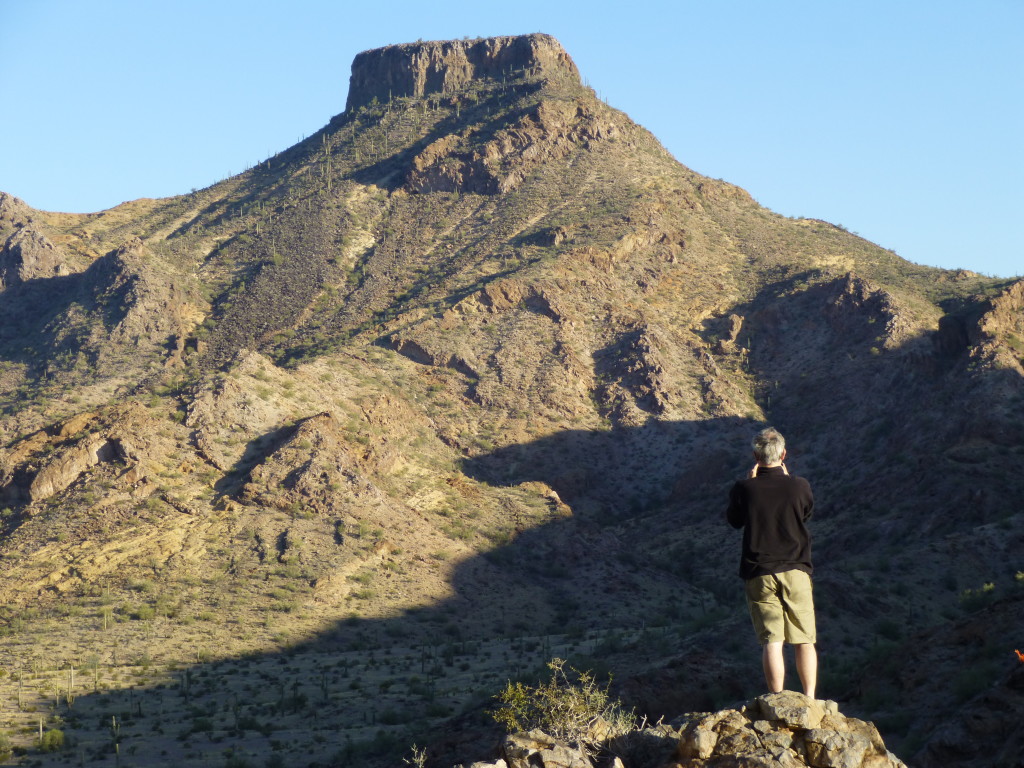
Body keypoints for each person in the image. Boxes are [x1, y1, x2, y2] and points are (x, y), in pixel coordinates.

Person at [726, 427, 817, 699]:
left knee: (772, 641)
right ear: (784, 454)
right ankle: (810, 698)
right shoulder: (800, 485)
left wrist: (750, 483)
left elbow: (735, 521)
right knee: (804, 639)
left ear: (756, 456)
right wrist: (788, 481)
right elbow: (806, 513)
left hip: (759, 571)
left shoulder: (744, 488)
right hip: (796, 569)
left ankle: (777, 699)